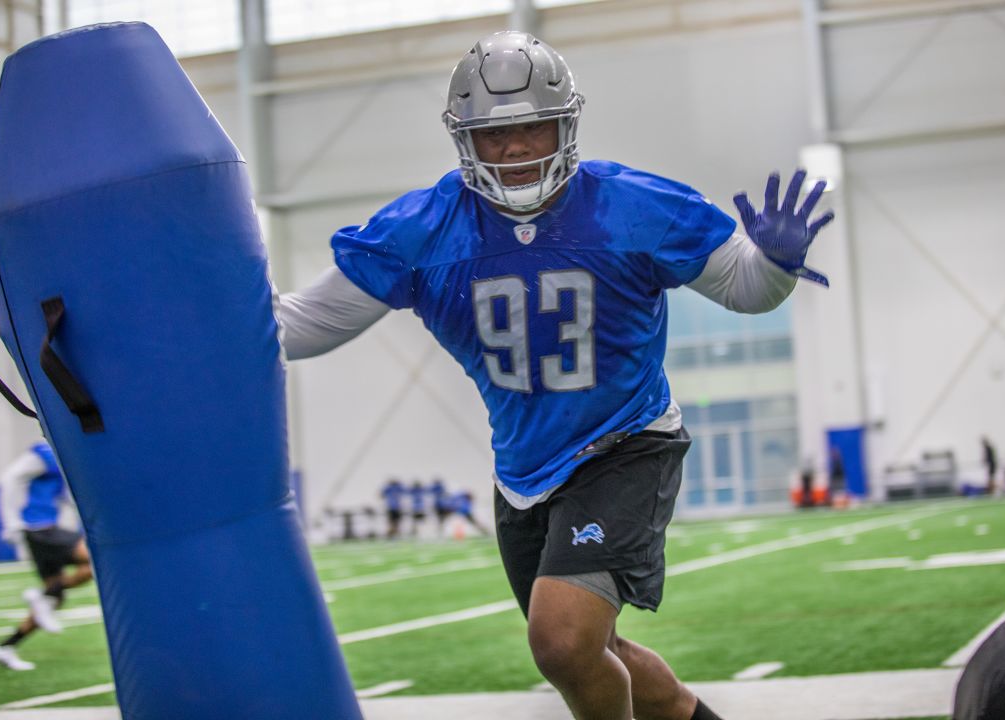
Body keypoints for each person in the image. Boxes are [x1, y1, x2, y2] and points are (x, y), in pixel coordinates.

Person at [271, 30, 833, 720]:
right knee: (599, 653)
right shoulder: (420, 231)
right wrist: (192, 314)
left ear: (565, 126)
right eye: (494, 135)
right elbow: (294, 328)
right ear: (463, 139)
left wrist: (774, 265)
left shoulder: (633, 205)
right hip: (524, 472)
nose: (514, 149)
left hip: (626, 443)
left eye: (533, 128)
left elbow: (746, 288)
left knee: (564, 644)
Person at [0, 440, 94, 671]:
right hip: (38, 528)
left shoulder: (67, 459)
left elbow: (66, 496)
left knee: (55, 599)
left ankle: (5, 647)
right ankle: (42, 596)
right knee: (94, 558)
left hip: (46, 527)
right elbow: (10, 477)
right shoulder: (47, 452)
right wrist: (11, 523)